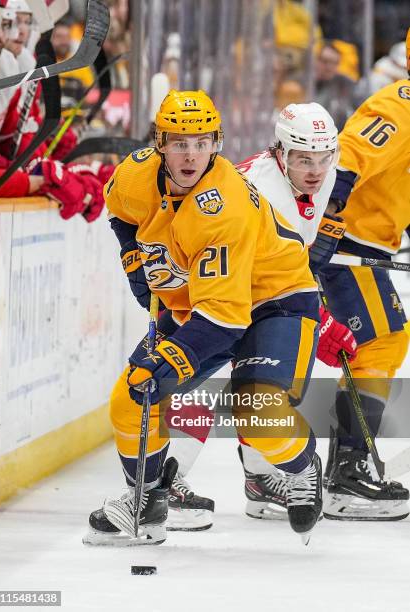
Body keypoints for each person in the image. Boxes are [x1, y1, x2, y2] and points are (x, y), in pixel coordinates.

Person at [84, 90, 324, 547]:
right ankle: (146, 504)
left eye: (201, 142)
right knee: (131, 398)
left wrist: (170, 358)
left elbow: (225, 318)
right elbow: (121, 213)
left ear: (217, 143)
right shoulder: (135, 174)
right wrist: (135, 256)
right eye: (179, 142)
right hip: (203, 303)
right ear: (159, 142)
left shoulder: (222, 208)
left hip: (276, 300)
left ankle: (302, 467)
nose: (190, 154)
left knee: (257, 414)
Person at [164, 103, 358, 526]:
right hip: (214, 286)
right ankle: (167, 479)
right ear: (281, 152)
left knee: (265, 387)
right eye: (304, 158)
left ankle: (262, 477)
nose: (315, 170)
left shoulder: (323, 171)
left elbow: (295, 248)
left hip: (262, 290)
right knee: (202, 379)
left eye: (324, 158)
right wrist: (321, 316)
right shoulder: (259, 186)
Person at [318, 28, 410, 521]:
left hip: (364, 243)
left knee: (381, 343)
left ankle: (340, 470)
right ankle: (347, 475)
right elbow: (345, 158)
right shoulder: (401, 102)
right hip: (346, 245)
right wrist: (327, 224)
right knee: (382, 342)